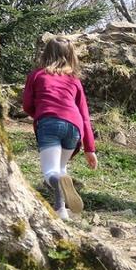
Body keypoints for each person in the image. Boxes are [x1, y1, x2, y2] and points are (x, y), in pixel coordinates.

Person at [23, 37, 98, 220]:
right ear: (71, 56)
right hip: (74, 126)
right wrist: (90, 149)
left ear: (46, 54)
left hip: (49, 122)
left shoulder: (37, 75)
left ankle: (59, 194)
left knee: (50, 173)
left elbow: (26, 105)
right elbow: (85, 116)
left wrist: (40, 113)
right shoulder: (74, 81)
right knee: (61, 168)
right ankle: (61, 211)